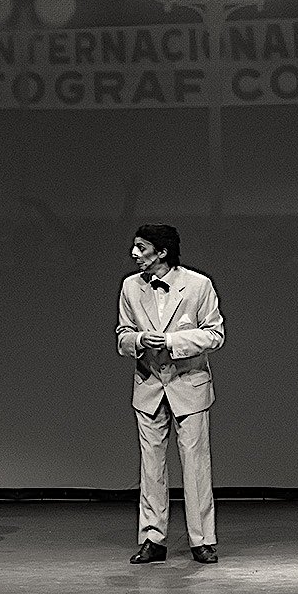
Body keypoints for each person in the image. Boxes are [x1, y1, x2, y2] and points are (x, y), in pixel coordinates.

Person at [116, 224, 225, 565]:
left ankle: (202, 540)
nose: (134, 254)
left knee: (195, 466)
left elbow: (215, 334)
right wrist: (137, 341)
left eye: (141, 247)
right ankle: (153, 539)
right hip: (149, 386)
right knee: (151, 468)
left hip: (188, 385)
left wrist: (173, 342)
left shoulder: (197, 285)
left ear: (161, 252)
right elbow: (122, 335)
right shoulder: (130, 287)